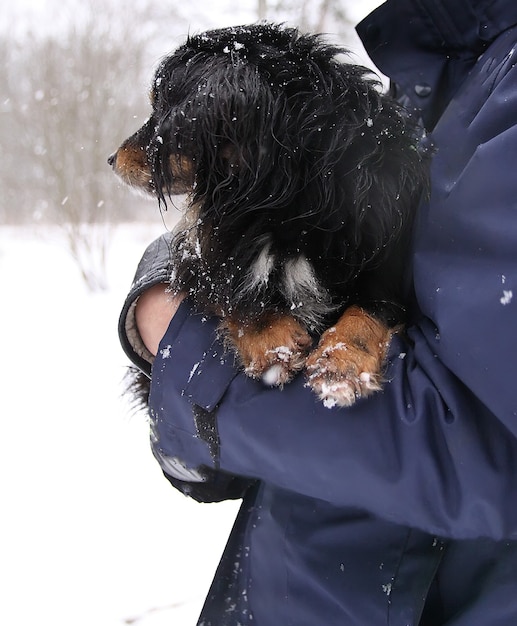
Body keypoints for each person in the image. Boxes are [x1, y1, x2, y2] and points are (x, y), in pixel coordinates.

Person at [118, 0, 517, 623]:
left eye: (168, 121)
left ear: (228, 134)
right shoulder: (446, 70)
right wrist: (190, 317)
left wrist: (182, 347)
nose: (132, 153)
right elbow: (225, 462)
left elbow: (480, 439)